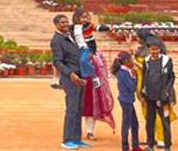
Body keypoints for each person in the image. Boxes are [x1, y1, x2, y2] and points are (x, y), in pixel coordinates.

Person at [73, 9, 115, 140]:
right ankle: (74, 132)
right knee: (76, 105)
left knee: (91, 103)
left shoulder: (89, 28)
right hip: (80, 69)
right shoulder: (74, 30)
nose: (85, 19)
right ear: (76, 18)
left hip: (91, 76)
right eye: (82, 17)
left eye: (86, 17)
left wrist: (110, 27)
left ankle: (90, 131)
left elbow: (99, 27)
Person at [51, 13, 89, 150]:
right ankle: (67, 140)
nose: (65, 25)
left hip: (79, 74)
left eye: (66, 22)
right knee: (72, 109)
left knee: (79, 108)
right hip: (70, 77)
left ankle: (77, 138)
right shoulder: (56, 40)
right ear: (56, 25)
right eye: (62, 23)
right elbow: (57, 61)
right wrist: (70, 73)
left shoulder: (70, 35)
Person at [134, 30, 176, 145]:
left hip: (157, 89)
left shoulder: (150, 55)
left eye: (137, 37)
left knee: (159, 115)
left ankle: (162, 138)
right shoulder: (143, 50)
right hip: (146, 87)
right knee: (149, 115)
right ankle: (151, 139)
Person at [141, 42, 174, 151]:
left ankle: (167, 145)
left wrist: (166, 91)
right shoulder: (146, 61)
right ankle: (150, 145)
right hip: (150, 97)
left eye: (156, 49)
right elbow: (144, 78)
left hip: (163, 98)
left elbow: (171, 78)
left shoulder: (167, 61)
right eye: (152, 49)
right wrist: (143, 93)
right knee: (150, 122)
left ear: (160, 49)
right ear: (149, 50)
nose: (154, 52)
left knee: (165, 121)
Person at [112, 51, 143, 151]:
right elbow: (132, 88)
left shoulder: (122, 71)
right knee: (128, 124)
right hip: (127, 101)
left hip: (126, 100)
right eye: (130, 60)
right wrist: (134, 76)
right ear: (125, 61)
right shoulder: (124, 73)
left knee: (133, 123)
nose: (132, 61)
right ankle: (126, 146)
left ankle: (134, 146)